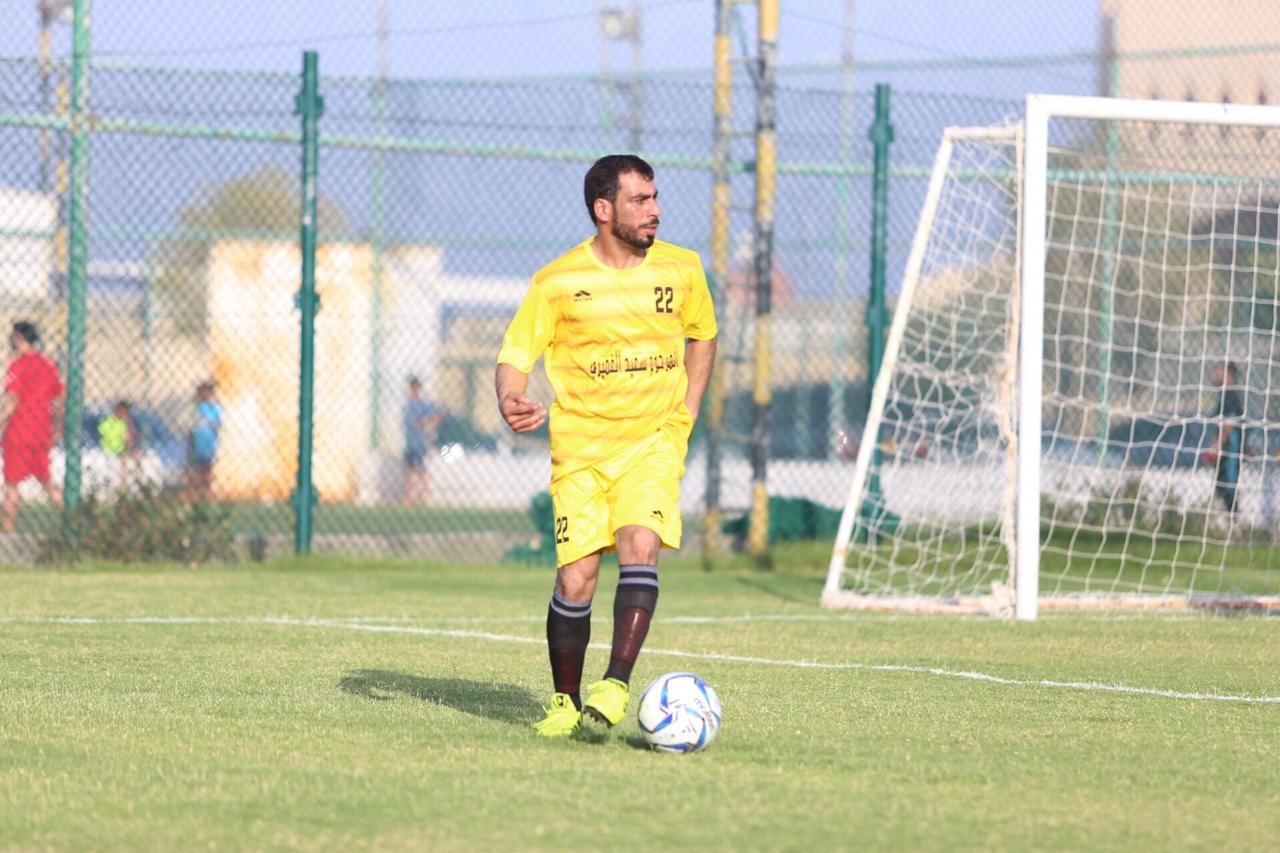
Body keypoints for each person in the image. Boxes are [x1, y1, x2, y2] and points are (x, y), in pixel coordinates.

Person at [495, 154, 717, 738]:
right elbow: (515, 354)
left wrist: (688, 410)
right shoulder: (557, 282)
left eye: (655, 197)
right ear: (603, 209)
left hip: (652, 442)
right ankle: (564, 704)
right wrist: (510, 397)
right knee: (576, 580)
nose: (655, 210)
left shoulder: (684, 269)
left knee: (640, 544)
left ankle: (616, 684)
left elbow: (703, 335)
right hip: (581, 453)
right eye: (640, 200)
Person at [0, 321, 64, 532]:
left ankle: (8, 533)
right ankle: (72, 522)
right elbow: (59, 400)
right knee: (47, 481)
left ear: (19, 338)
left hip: (18, 432)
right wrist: (57, 428)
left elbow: (11, 402)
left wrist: (1, 424)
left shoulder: (17, 365)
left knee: (11, 485)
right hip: (41, 432)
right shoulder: (48, 365)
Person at [1203, 360, 1244, 521]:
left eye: (1219, 369)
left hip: (1230, 448)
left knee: (1228, 484)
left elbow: (1229, 422)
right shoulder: (1225, 394)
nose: (1215, 373)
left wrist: (1216, 446)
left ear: (1228, 374)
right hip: (1227, 447)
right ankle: (1231, 520)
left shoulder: (1230, 395)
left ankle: (1234, 522)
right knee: (1223, 485)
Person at [402, 375, 443, 505]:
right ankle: (409, 497)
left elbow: (438, 415)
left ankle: (422, 496)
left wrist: (428, 424)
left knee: (421, 470)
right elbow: (410, 422)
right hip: (410, 442)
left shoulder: (423, 404)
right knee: (409, 470)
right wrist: (423, 423)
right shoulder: (408, 404)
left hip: (420, 443)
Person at [185, 381, 221, 501]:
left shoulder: (214, 407)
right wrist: (189, 439)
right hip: (196, 441)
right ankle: (193, 491)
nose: (205, 394)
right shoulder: (194, 406)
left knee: (207, 467)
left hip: (209, 442)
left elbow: (218, 424)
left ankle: (206, 492)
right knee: (194, 468)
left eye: (208, 392)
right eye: (202, 392)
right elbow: (189, 423)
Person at [99, 399, 140, 485]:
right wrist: (121, 437)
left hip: (122, 449)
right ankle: (123, 484)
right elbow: (104, 433)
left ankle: (139, 483)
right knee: (124, 459)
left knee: (137, 455)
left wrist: (130, 437)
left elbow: (132, 437)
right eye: (126, 412)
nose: (128, 414)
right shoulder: (108, 421)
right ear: (120, 410)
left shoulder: (125, 422)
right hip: (110, 449)